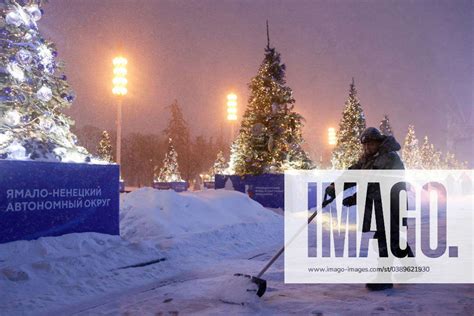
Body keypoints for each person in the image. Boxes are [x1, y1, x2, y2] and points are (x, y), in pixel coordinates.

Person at [326, 127, 413, 291]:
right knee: (391, 237)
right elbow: (352, 174)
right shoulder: (368, 160)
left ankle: (384, 278)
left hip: (393, 203)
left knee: (385, 239)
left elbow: (381, 184)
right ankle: (410, 268)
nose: (367, 148)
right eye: (364, 145)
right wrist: (334, 187)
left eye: (370, 144)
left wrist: (356, 197)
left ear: (378, 142)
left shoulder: (389, 158)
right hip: (381, 204)